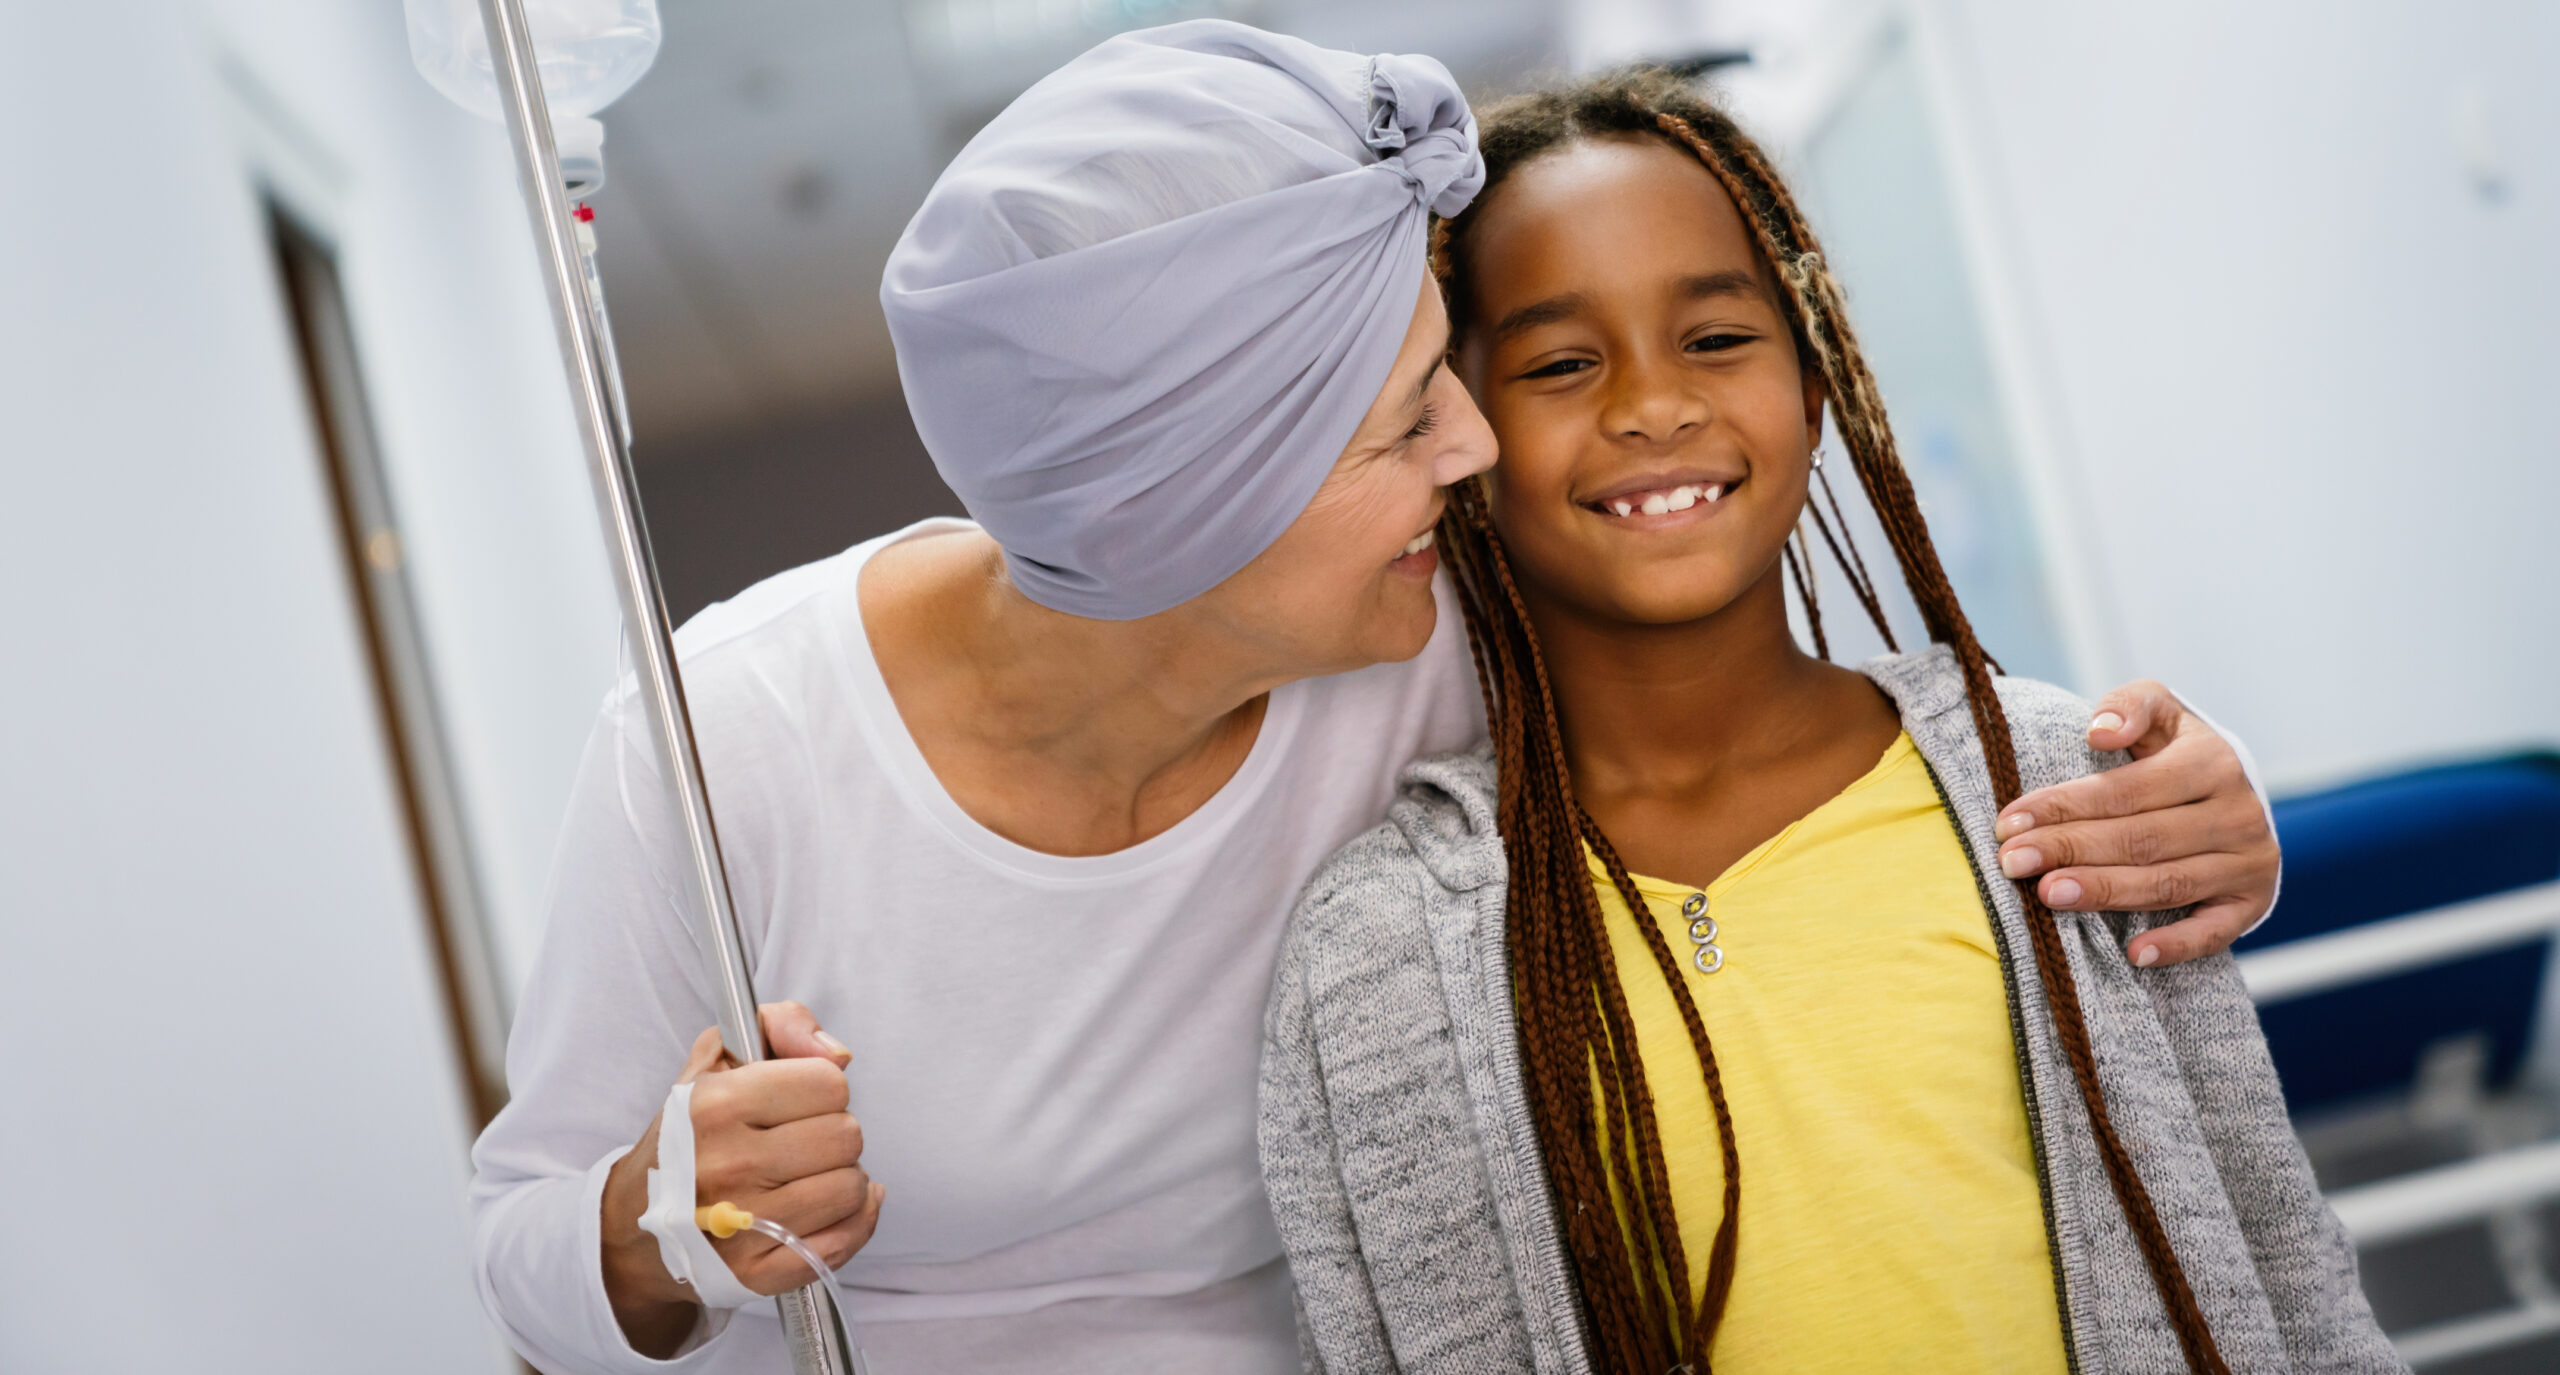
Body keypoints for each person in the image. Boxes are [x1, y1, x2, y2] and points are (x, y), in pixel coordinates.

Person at [470, 24, 2286, 1375]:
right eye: (1410, 415)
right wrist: (669, 1219)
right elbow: (525, 1255)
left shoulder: (1434, 627)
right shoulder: (727, 754)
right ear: (1194, 498)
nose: (1480, 448)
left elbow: (1798, 729)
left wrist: (2186, 793)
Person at [1257, 69, 2398, 1375]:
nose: (1652, 406)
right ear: (1454, 430)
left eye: (1718, 338)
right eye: (1562, 362)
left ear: (1813, 380)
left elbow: (2285, 1268)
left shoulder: (2057, 789)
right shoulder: (1384, 946)